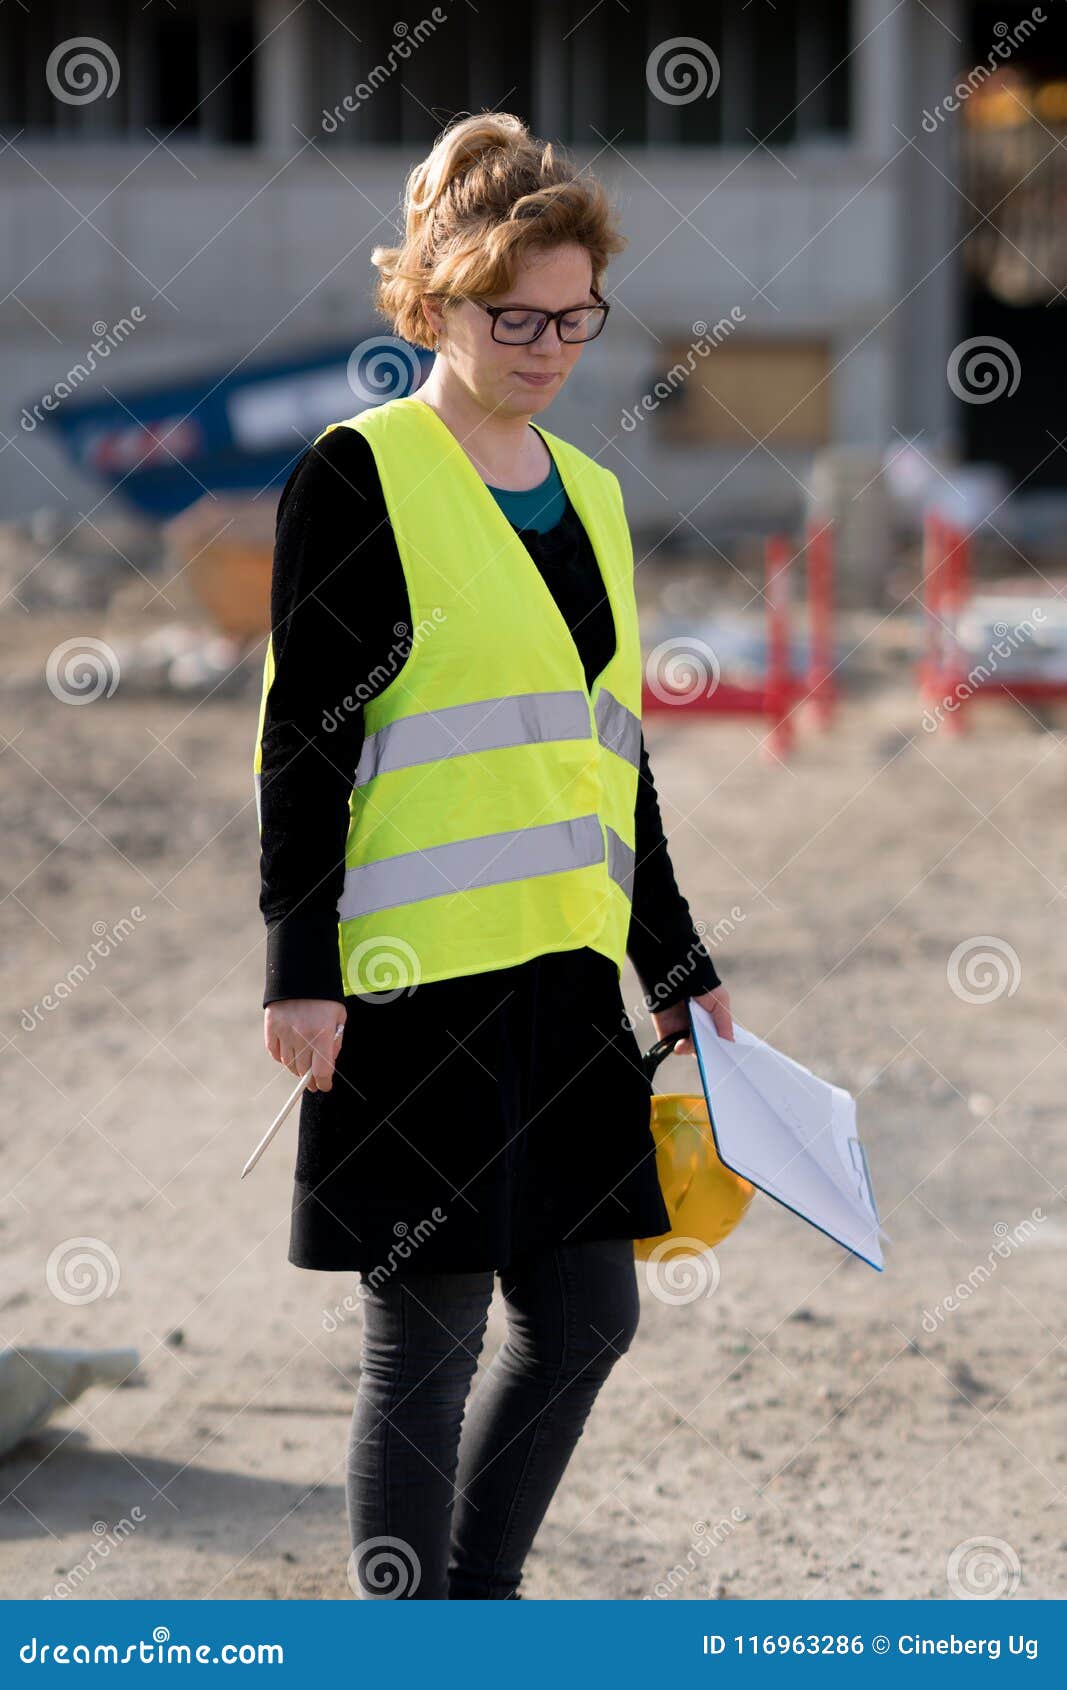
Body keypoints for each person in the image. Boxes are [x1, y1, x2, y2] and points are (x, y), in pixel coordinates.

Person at [254, 111, 735, 1601]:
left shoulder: (589, 495)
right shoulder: (357, 476)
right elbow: (303, 747)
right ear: (434, 304)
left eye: (573, 316)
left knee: (590, 1319)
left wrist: (675, 957)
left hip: (560, 980)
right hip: (410, 987)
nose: (545, 344)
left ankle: (477, 1607)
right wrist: (301, 967)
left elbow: (610, 754)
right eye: (511, 315)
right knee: (431, 1338)